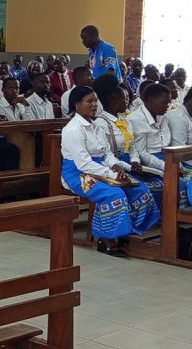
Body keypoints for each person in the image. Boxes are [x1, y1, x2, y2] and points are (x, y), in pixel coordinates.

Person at [60, 85, 160, 253]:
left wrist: (116, 165)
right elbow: (84, 164)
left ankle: (126, 231)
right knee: (113, 193)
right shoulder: (72, 130)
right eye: (89, 101)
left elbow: (106, 153)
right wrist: (112, 174)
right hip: (78, 174)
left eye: (95, 101)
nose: (94, 105)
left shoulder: (96, 126)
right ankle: (105, 239)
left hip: (100, 168)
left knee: (138, 188)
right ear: (77, 104)